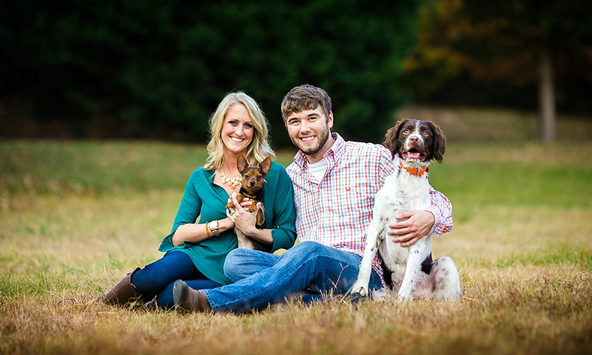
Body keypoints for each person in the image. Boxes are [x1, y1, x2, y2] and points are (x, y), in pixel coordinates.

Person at [173, 84, 453, 313]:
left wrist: (430, 216)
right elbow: (281, 230)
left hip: (358, 268)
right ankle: (316, 300)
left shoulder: (371, 156)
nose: (304, 128)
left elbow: (435, 198)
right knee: (237, 261)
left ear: (329, 119)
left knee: (311, 252)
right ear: (288, 128)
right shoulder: (289, 176)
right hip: (304, 267)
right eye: (295, 122)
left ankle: (210, 302)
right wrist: (248, 226)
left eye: (312, 118)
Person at [97, 91, 297, 308]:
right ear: (220, 126)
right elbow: (177, 235)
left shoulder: (274, 175)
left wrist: (252, 230)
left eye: (248, 125)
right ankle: (100, 304)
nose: (239, 132)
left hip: (230, 270)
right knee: (151, 277)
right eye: (233, 122)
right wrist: (224, 224)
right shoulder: (200, 177)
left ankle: (147, 305)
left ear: (256, 131)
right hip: (193, 254)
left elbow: (287, 235)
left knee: (169, 296)